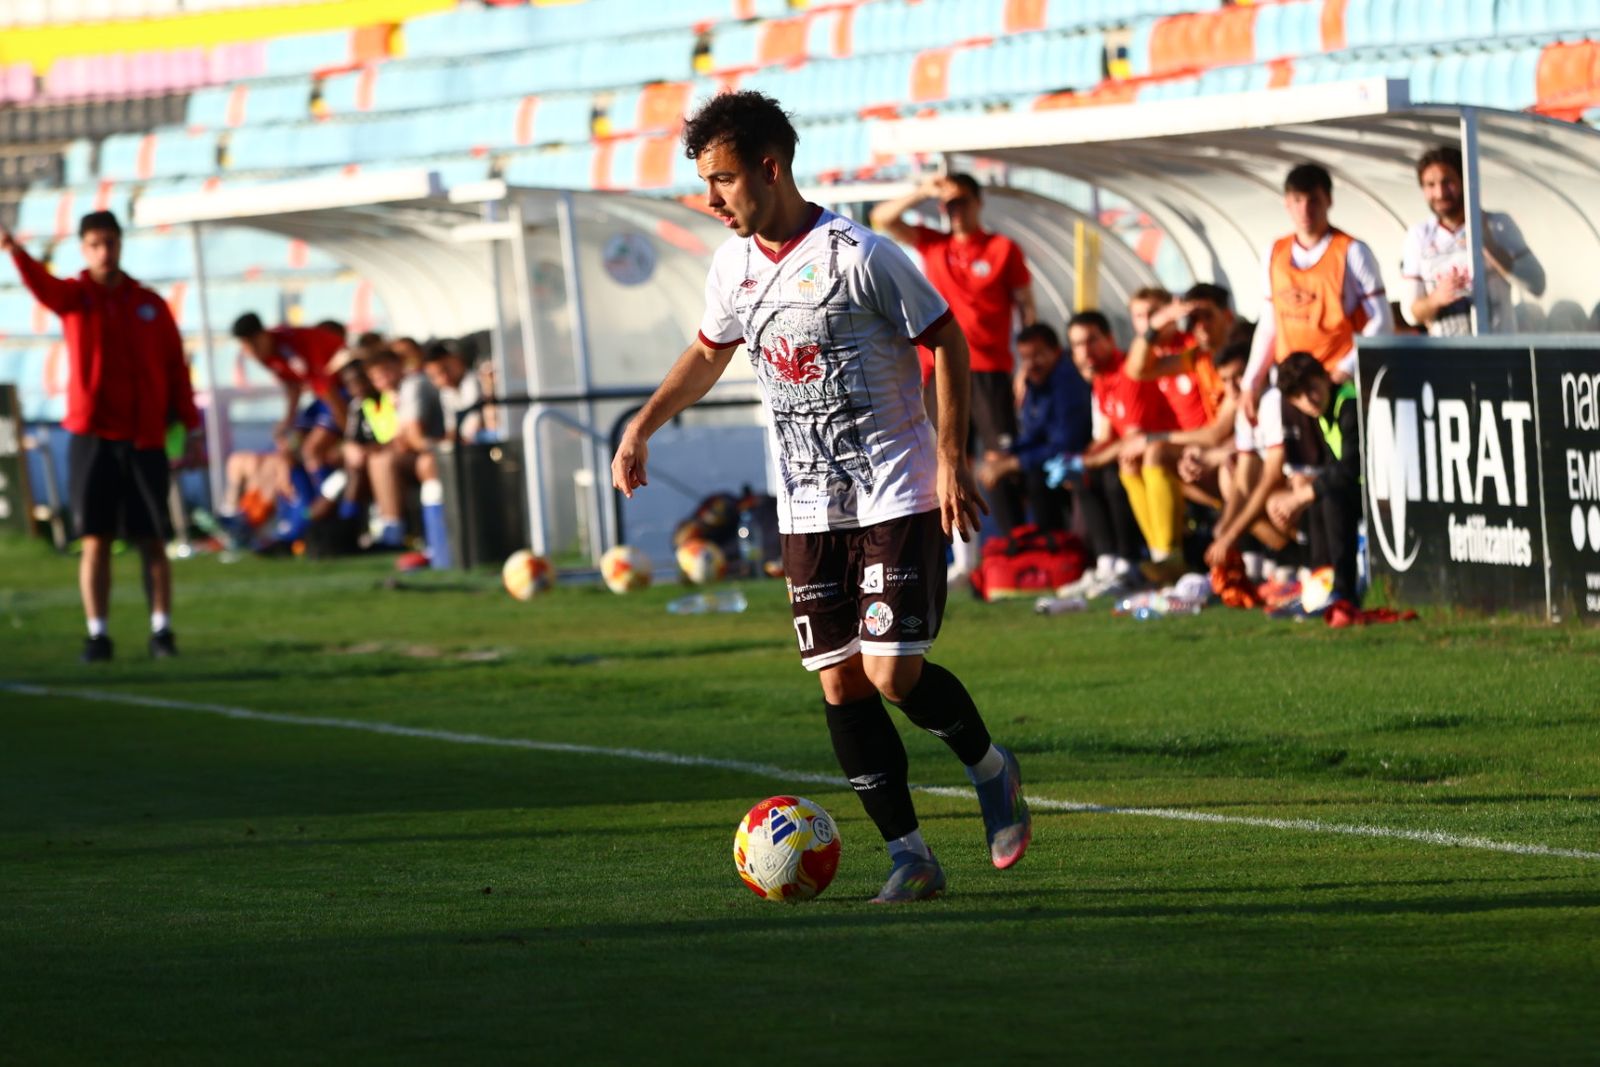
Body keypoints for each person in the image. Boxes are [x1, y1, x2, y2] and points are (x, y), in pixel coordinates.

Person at [612, 90, 1030, 903]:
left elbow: (946, 337)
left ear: (770, 169)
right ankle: (910, 856)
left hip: (894, 488)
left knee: (893, 673)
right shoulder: (731, 266)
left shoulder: (860, 255)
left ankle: (991, 769)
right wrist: (643, 424)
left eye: (723, 179)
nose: (712, 199)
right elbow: (708, 352)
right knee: (840, 682)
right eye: (705, 182)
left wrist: (950, 458)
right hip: (807, 506)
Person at [1, 211, 199, 661]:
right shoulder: (76, 298)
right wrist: (15, 252)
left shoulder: (148, 304)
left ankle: (162, 631)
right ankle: (98, 634)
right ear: (83, 249)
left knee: (153, 539)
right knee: (95, 538)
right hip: (93, 436)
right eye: (95, 244)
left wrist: (188, 423)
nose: (104, 251)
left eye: (110, 242)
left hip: (145, 436)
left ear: (120, 244)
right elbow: (42, 287)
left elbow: (174, 365)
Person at [869, 171, 1036, 544]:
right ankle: (961, 555)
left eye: (961, 202)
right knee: (942, 459)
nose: (955, 211)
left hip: (990, 370)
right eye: (948, 205)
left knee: (999, 460)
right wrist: (923, 191)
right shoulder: (934, 244)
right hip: (940, 370)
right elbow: (882, 218)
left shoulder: (1002, 248)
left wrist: (1027, 364)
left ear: (978, 202)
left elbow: (1027, 307)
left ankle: (1017, 547)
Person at [1241, 162, 1392, 425]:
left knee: (1344, 450)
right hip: (1292, 386)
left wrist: (1345, 368)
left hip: (1335, 385)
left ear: (1328, 200)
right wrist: (1251, 382)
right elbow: (1269, 324)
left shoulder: (1352, 251)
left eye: (1313, 200)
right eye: (1297, 200)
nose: (1305, 209)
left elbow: (1382, 321)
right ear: (1287, 203)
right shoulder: (1274, 253)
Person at [1062, 310, 1168, 596]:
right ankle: (1106, 562)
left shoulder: (1127, 372)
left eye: (1092, 341)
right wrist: (1075, 461)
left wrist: (1089, 460)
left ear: (1110, 339)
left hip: (1158, 452)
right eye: (1077, 345)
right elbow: (1106, 437)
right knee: (1084, 477)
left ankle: (1128, 562)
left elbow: (1134, 439)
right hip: (1136, 454)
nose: (1085, 351)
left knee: (1111, 473)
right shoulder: (1101, 377)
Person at [1400, 143, 1544, 336]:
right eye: (1430, 185)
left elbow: (1537, 284)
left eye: (1447, 182)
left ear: (1465, 181)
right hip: (1448, 351)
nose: (1440, 193)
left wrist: (1490, 248)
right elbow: (1411, 314)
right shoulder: (1419, 235)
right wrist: (1437, 298)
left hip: (1498, 348)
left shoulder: (1498, 224)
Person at [230, 312, 348, 542]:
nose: (252, 352)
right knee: (286, 450)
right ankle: (297, 519)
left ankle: (324, 515)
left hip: (342, 391)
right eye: (247, 347)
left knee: (312, 449)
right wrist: (288, 422)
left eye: (254, 344)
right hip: (324, 397)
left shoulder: (294, 345)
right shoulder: (263, 354)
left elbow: (326, 384)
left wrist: (347, 431)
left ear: (263, 335)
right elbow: (292, 385)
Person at [977, 323, 1091, 533]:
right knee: (998, 474)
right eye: (1025, 358)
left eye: (1037, 355)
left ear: (1056, 351)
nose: (1030, 364)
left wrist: (1015, 462)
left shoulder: (1067, 383)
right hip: (1050, 457)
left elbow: (1065, 444)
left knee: (1034, 477)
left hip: (1075, 462)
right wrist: (1008, 454)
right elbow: (1034, 433)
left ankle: (1053, 543)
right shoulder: (1036, 382)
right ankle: (1017, 542)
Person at [1271, 353, 1363, 608]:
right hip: (1358, 486)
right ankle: (1318, 580)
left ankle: (1343, 593)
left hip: (1377, 491)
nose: (1309, 400)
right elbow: (1336, 465)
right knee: (1315, 491)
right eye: (1299, 397)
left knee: (1329, 497)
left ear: (1324, 378)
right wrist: (1305, 487)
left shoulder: (1348, 403)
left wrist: (1303, 495)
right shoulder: (1323, 412)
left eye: (1311, 388)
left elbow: (1352, 465)